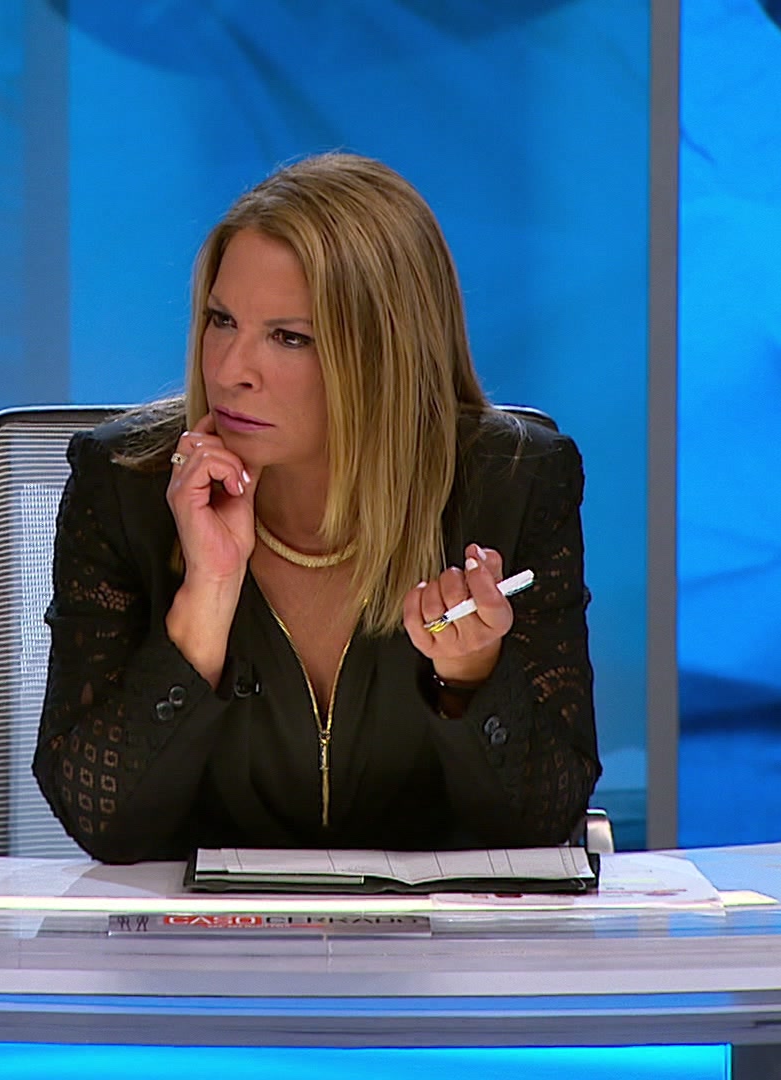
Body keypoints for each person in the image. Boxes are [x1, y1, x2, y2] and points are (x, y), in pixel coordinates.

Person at [33, 153, 600, 863]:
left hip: (438, 935)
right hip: (200, 932)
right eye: (221, 320)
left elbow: (543, 825)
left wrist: (471, 677)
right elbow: (101, 823)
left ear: (387, 353)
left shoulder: (515, 486)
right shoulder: (124, 484)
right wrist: (207, 595)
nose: (230, 370)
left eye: (289, 337)